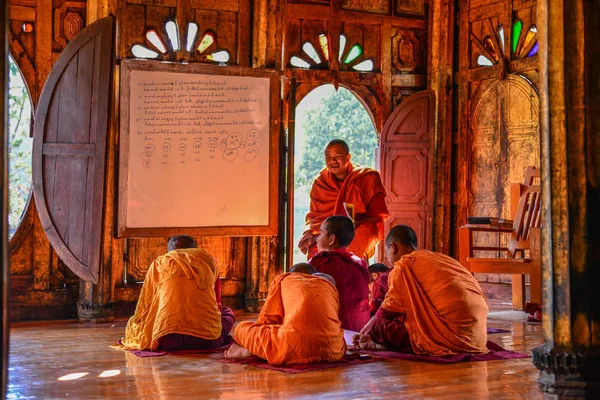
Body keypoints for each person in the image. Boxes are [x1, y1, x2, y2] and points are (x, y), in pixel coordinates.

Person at [353, 225, 489, 356]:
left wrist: (366, 330)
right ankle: (382, 347)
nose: (388, 258)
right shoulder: (441, 258)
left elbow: (386, 311)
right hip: (476, 336)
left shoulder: (404, 265)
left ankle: (396, 345)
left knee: (378, 325)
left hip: (451, 336)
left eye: (387, 251)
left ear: (393, 247)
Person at [120, 235, 234, 351]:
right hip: (208, 341)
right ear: (195, 249)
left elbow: (145, 306)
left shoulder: (159, 263)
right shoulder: (208, 260)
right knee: (227, 312)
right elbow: (217, 302)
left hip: (167, 341)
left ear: (169, 252)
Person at [224, 272, 346, 365]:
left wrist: (254, 341)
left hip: (292, 347)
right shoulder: (330, 289)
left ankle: (252, 351)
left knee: (240, 328)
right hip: (334, 351)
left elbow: (266, 320)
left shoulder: (284, 279)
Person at [298, 139, 389, 260]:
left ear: (348, 157)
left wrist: (354, 224)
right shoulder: (320, 182)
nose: (332, 161)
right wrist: (310, 231)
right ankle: (320, 278)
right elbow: (315, 216)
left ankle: (351, 273)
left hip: (359, 227)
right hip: (329, 229)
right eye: (328, 157)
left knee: (356, 241)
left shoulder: (366, 177)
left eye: (337, 157)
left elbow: (378, 214)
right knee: (315, 249)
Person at [309, 215, 371, 332]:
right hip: (359, 332)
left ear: (332, 239)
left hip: (331, 332)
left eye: (321, 233)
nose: (317, 239)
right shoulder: (360, 263)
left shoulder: (319, 262)